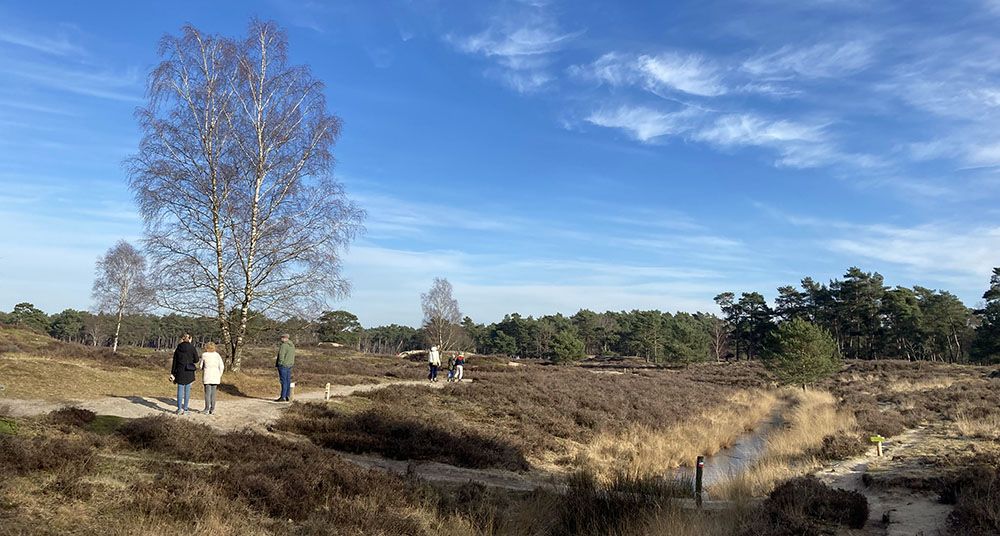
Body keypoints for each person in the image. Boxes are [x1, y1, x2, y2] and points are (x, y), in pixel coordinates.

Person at [170, 334, 198, 415]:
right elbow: (196, 360)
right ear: (190, 339)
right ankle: (185, 409)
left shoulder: (178, 348)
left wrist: (172, 373)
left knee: (180, 391)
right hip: (189, 371)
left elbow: (174, 362)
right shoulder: (192, 348)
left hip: (179, 371)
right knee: (187, 391)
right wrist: (190, 359)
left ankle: (179, 409)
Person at [199, 342, 225, 415]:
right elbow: (222, 366)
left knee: (207, 393)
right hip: (215, 375)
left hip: (207, 375)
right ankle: (212, 409)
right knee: (213, 393)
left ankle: (206, 409)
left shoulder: (204, 355)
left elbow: (200, 366)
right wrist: (219, 375)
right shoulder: (217, 355)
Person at [275, 334, 295, 402]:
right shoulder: (292, 345)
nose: (281, 339)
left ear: (284, 338)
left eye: (281, 338)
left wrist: (280, 363)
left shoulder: (284, 345)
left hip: (283, 365)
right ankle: (287, 396)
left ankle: (282, 396)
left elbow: (281, 355)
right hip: (289, 365)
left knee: (283, 381)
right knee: (288, 380)